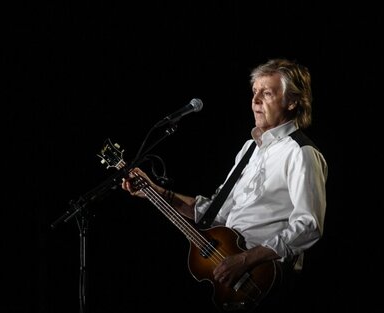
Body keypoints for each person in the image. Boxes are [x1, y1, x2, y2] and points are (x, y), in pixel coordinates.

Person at [121, 58, 327, 312]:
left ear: (292, 101)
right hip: (228, 274)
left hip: (263, 279)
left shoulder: (301, 152)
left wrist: (245, 259)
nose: (256, 100)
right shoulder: (250, 149)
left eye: (267, 93)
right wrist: (154, 191)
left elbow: (309, 225)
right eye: (254, 92)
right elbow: (217, 214)